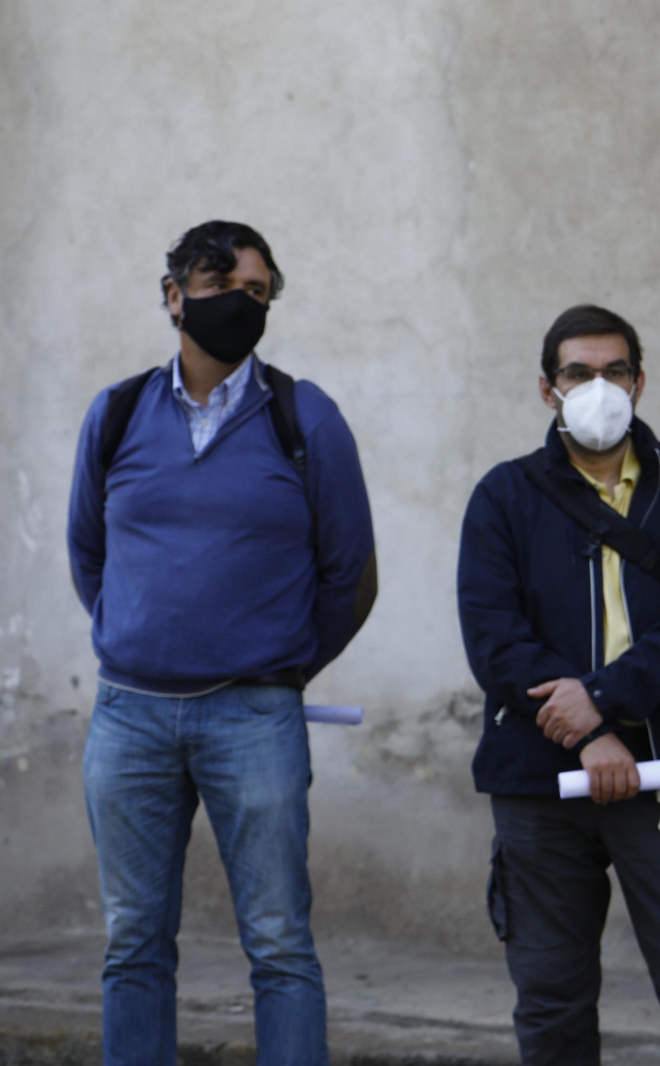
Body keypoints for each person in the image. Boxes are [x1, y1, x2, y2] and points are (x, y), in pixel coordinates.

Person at [66, 220, 377, 1066]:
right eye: (219, 286)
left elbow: (352, 574)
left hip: (254, 718)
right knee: (133, 945)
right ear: (173, 297)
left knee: (280, 946)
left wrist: (276, 666)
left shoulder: (304, 417)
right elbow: (90, 555)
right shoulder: (118, 412)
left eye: (258, 291)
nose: (241, 303)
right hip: (128, 717)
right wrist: (140, 638)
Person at [456, 304, 660, 1066]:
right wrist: (590, 733)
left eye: (614, 371)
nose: (599, 386)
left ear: (639, 380)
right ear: (547, 388)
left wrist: (606, 700)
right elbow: (495, 640)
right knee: (553, 1005)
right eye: (578, 373)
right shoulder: (504, 495)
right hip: (538, 784)